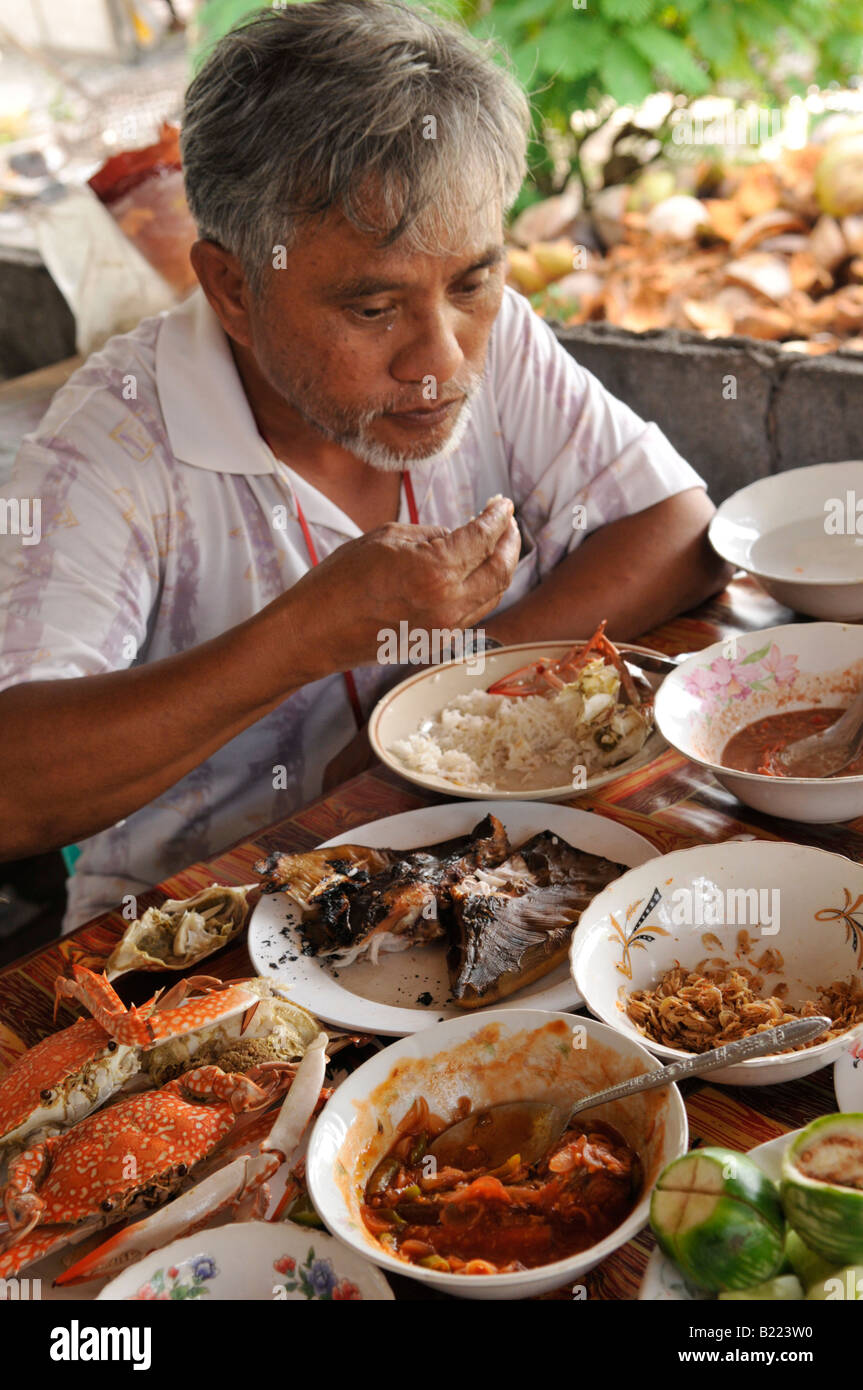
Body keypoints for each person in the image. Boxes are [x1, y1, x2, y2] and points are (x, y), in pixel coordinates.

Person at [0, 0, 730, 932]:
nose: (442, 360)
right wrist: (305, 638)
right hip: (195, 932)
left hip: (471, 872)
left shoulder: (484, 335)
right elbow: (14, 790)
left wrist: (437, 697)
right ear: (233, 286)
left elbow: (674, 526)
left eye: (473, 281)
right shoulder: (112, 444)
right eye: (373, 308)